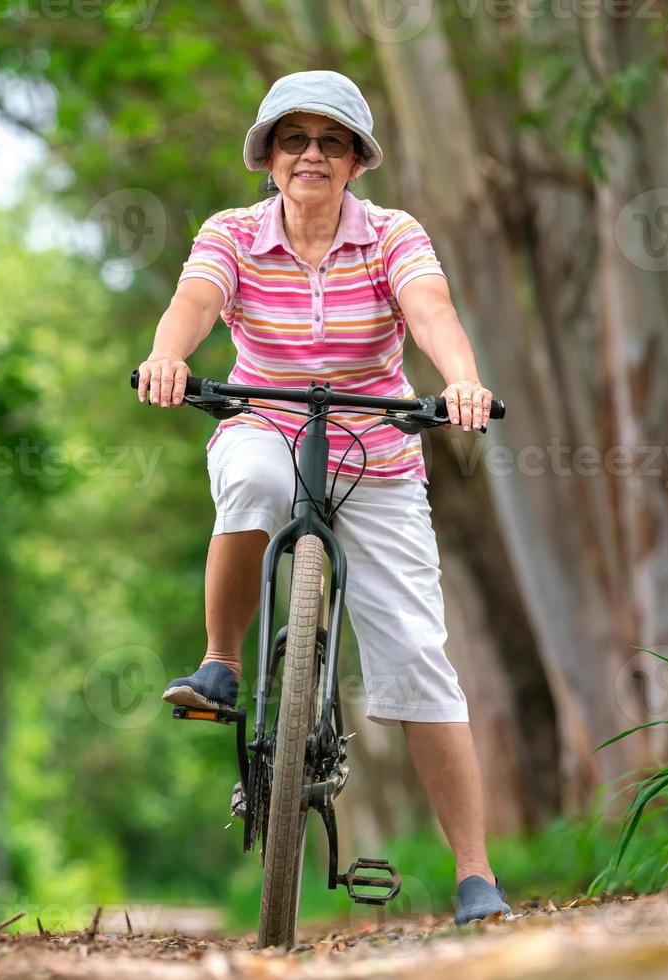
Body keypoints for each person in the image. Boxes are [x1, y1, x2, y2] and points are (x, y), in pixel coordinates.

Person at [133, 70, 510, 926]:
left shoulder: (391, 234)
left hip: (376, 448)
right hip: (264, 419)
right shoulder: (231, 232)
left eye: (331, 141)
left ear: (355, 162)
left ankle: (476, 876)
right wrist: (168, 356)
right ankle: (223, 664)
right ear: (268, 157)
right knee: (258, 480)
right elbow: (194, 302)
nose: (311, 154)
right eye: (293, 140)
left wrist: (463, 381)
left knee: (417, 654)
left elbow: (431, 309)